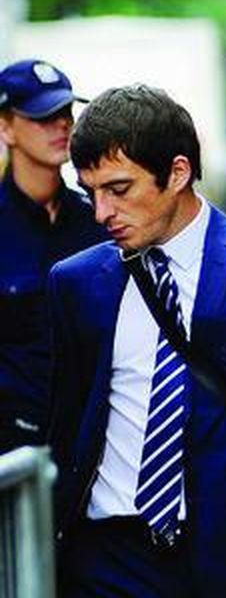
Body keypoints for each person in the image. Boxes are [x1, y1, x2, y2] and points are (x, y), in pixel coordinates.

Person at [48, 85, 226, 597]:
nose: (102, 212)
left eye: (119, 189)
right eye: (90, 192)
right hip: (107, 559)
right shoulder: (77, 282)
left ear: (177, 173)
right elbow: (68, 426)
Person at [0, 60, 107, 453]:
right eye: (42, 116)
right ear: (5, 127)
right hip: (13, 454)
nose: (61, 125)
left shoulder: (99, 221)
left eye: (65, 114)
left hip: (90, 445)